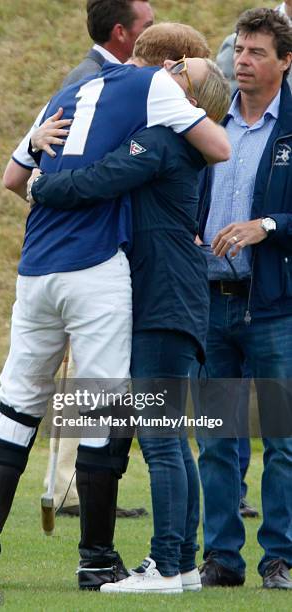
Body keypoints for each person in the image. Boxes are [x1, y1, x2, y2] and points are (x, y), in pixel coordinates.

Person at [0, 23, 230, 591]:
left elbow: (12, 177)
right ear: (167, 65)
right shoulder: (154, 93)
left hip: (35, 268)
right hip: (98, 265)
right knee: (105, 408)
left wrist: (38, 169)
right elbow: (221, 146)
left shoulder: (63, 91)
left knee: (16, 406)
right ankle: (98, 558)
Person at [27, 58, 230, 594]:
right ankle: (182, 564)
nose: (169, 66)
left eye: (182, 68)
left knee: (162, 442)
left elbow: (100, 178)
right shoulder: (181, 145)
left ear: (190, 96)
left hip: (162, 298)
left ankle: (164, 566)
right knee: (173, 441)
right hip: (175, 297)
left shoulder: (163, 141)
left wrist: (40, 187)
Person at [5, 0, 154, 519]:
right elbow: (26, 176)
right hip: (80, 258)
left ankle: (71, 487)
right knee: (92, 390)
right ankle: (71, 490)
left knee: (83, 387)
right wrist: (41, 179)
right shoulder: (91, 78)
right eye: (148, 27)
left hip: (67, 259)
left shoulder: (108, 74)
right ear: (121, 32)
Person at [192, 8, 292, 590]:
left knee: (282, 441)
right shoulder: (205, 122)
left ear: (285, 61)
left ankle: (279, 557)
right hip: (209, 303)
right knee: (215, 439)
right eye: (240, 51)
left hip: (275, 305)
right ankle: (221, 560)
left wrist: (268, 226)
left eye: (257, 52)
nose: (243, 62)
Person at [3, 0, 154, 199]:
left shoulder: (96, 76)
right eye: (148, 28)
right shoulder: (90, 82)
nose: (156, 35)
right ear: (120, 32)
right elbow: (14, 177)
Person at [216, 1, 292, 92]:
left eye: (256, 52)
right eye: (238, 50)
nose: (242, 60)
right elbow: (222, 99)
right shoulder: (234, 41)